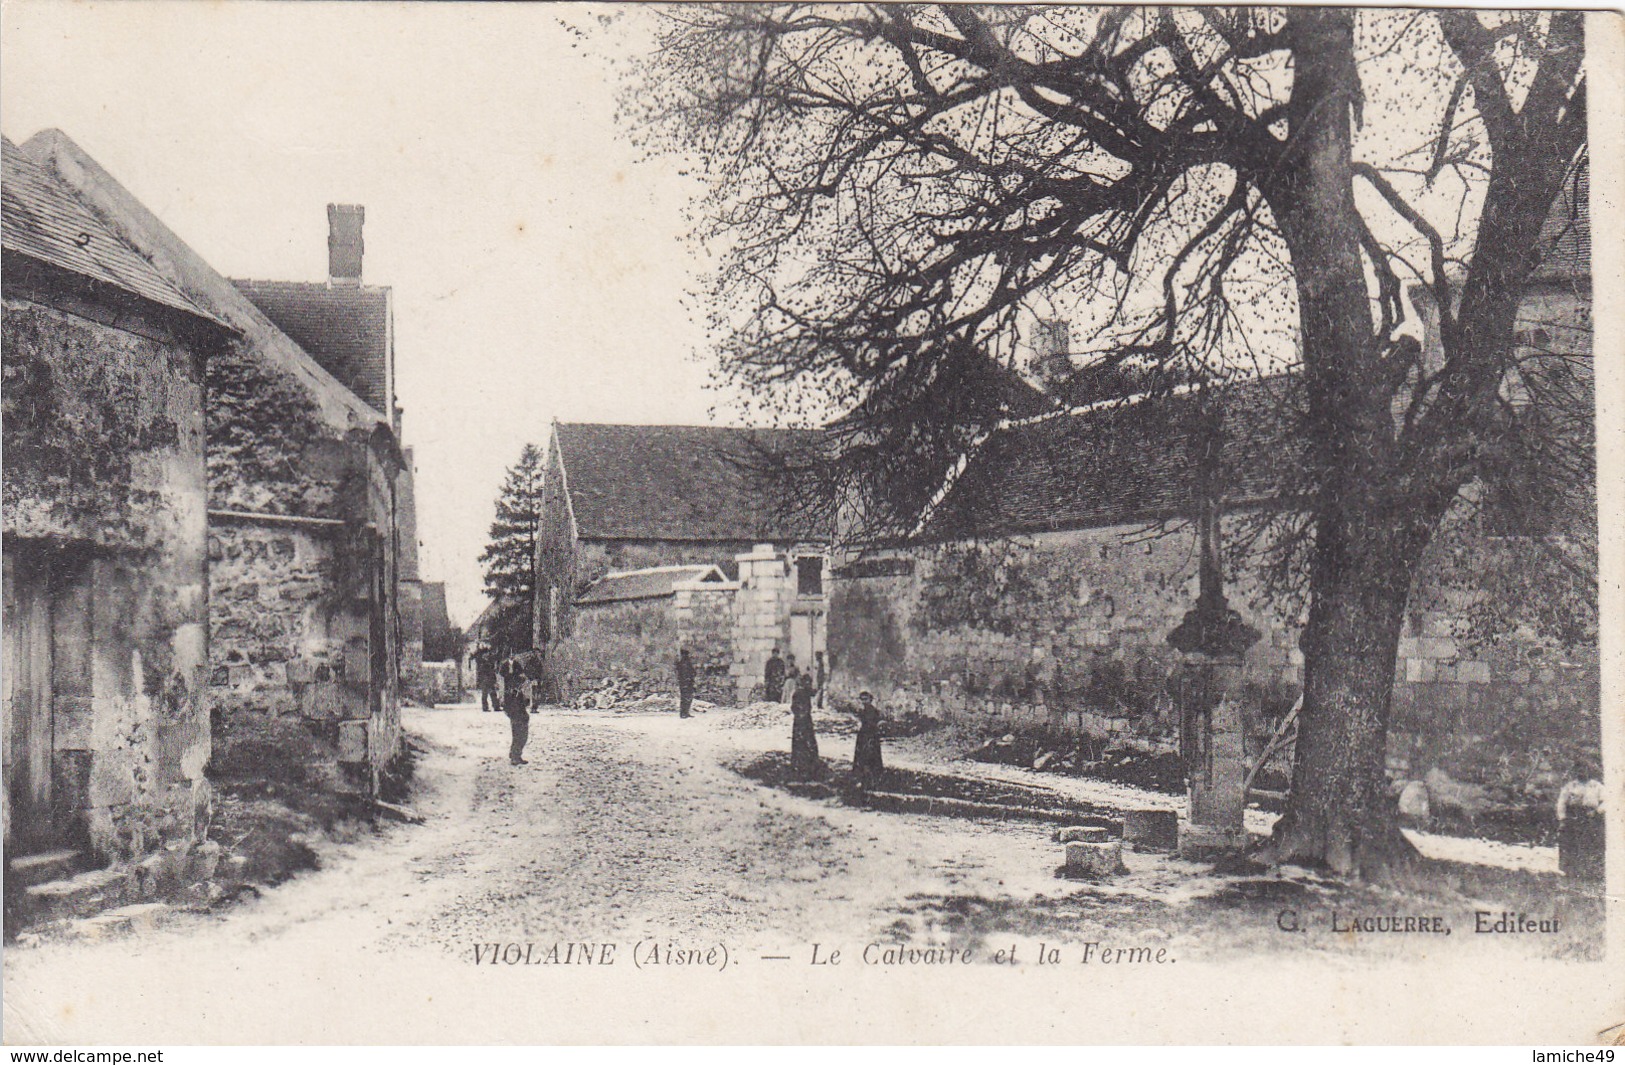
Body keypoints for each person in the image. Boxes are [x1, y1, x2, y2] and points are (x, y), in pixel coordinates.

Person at [499, 654, 530, 765]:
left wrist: (526, 696)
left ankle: (516, 753)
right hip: (511, 701)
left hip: (518, 700)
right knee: (517, 726)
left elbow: (525, 682)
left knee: (523, 722)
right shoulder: (505, 668)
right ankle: (515, 755)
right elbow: (501, 684)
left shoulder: (519, 666)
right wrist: (502, 698)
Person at [789, 672, 821, 780]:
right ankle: (801, 767)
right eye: (808, 682)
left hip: (806, 720)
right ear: (803, 683)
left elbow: (813, 692)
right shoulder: (798, 693)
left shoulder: (806, 692)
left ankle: (809, 766)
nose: (809, 684)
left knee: (808, 743)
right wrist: (801, 714)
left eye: (810, 683)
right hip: (800, 722)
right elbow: (793, 707)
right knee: (801, 744)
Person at [853, 690, 884, 781]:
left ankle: (871, 774)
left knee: (870, 754)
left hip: (871, 734)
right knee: (862, 753)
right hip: (863, 734)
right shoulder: (863, 710)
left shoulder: (872, 711)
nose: (864, 702)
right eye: (862, 700)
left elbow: (872, 723)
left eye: (866, 699)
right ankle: (863, 773)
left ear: (870, 699)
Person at [474, 645, 497, 713]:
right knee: (485, 694)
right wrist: (479, 682)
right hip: (484, 681)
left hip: (490, 680)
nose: (486, 655)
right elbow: (480, 673)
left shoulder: (490, 662)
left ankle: (496, 706)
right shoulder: (482, 663)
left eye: (487, 654)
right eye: (485, 654)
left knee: (493, 694)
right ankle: (485, 707)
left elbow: (492, 671)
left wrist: (494, 680)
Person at [675, 647, 696, 719]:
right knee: (686, 697)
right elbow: (689, 672)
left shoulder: (681, 663)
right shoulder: (685, 663)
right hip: (686, 682)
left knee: (685, 698)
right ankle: (684, 713)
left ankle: (684, 712)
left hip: (685, 682)